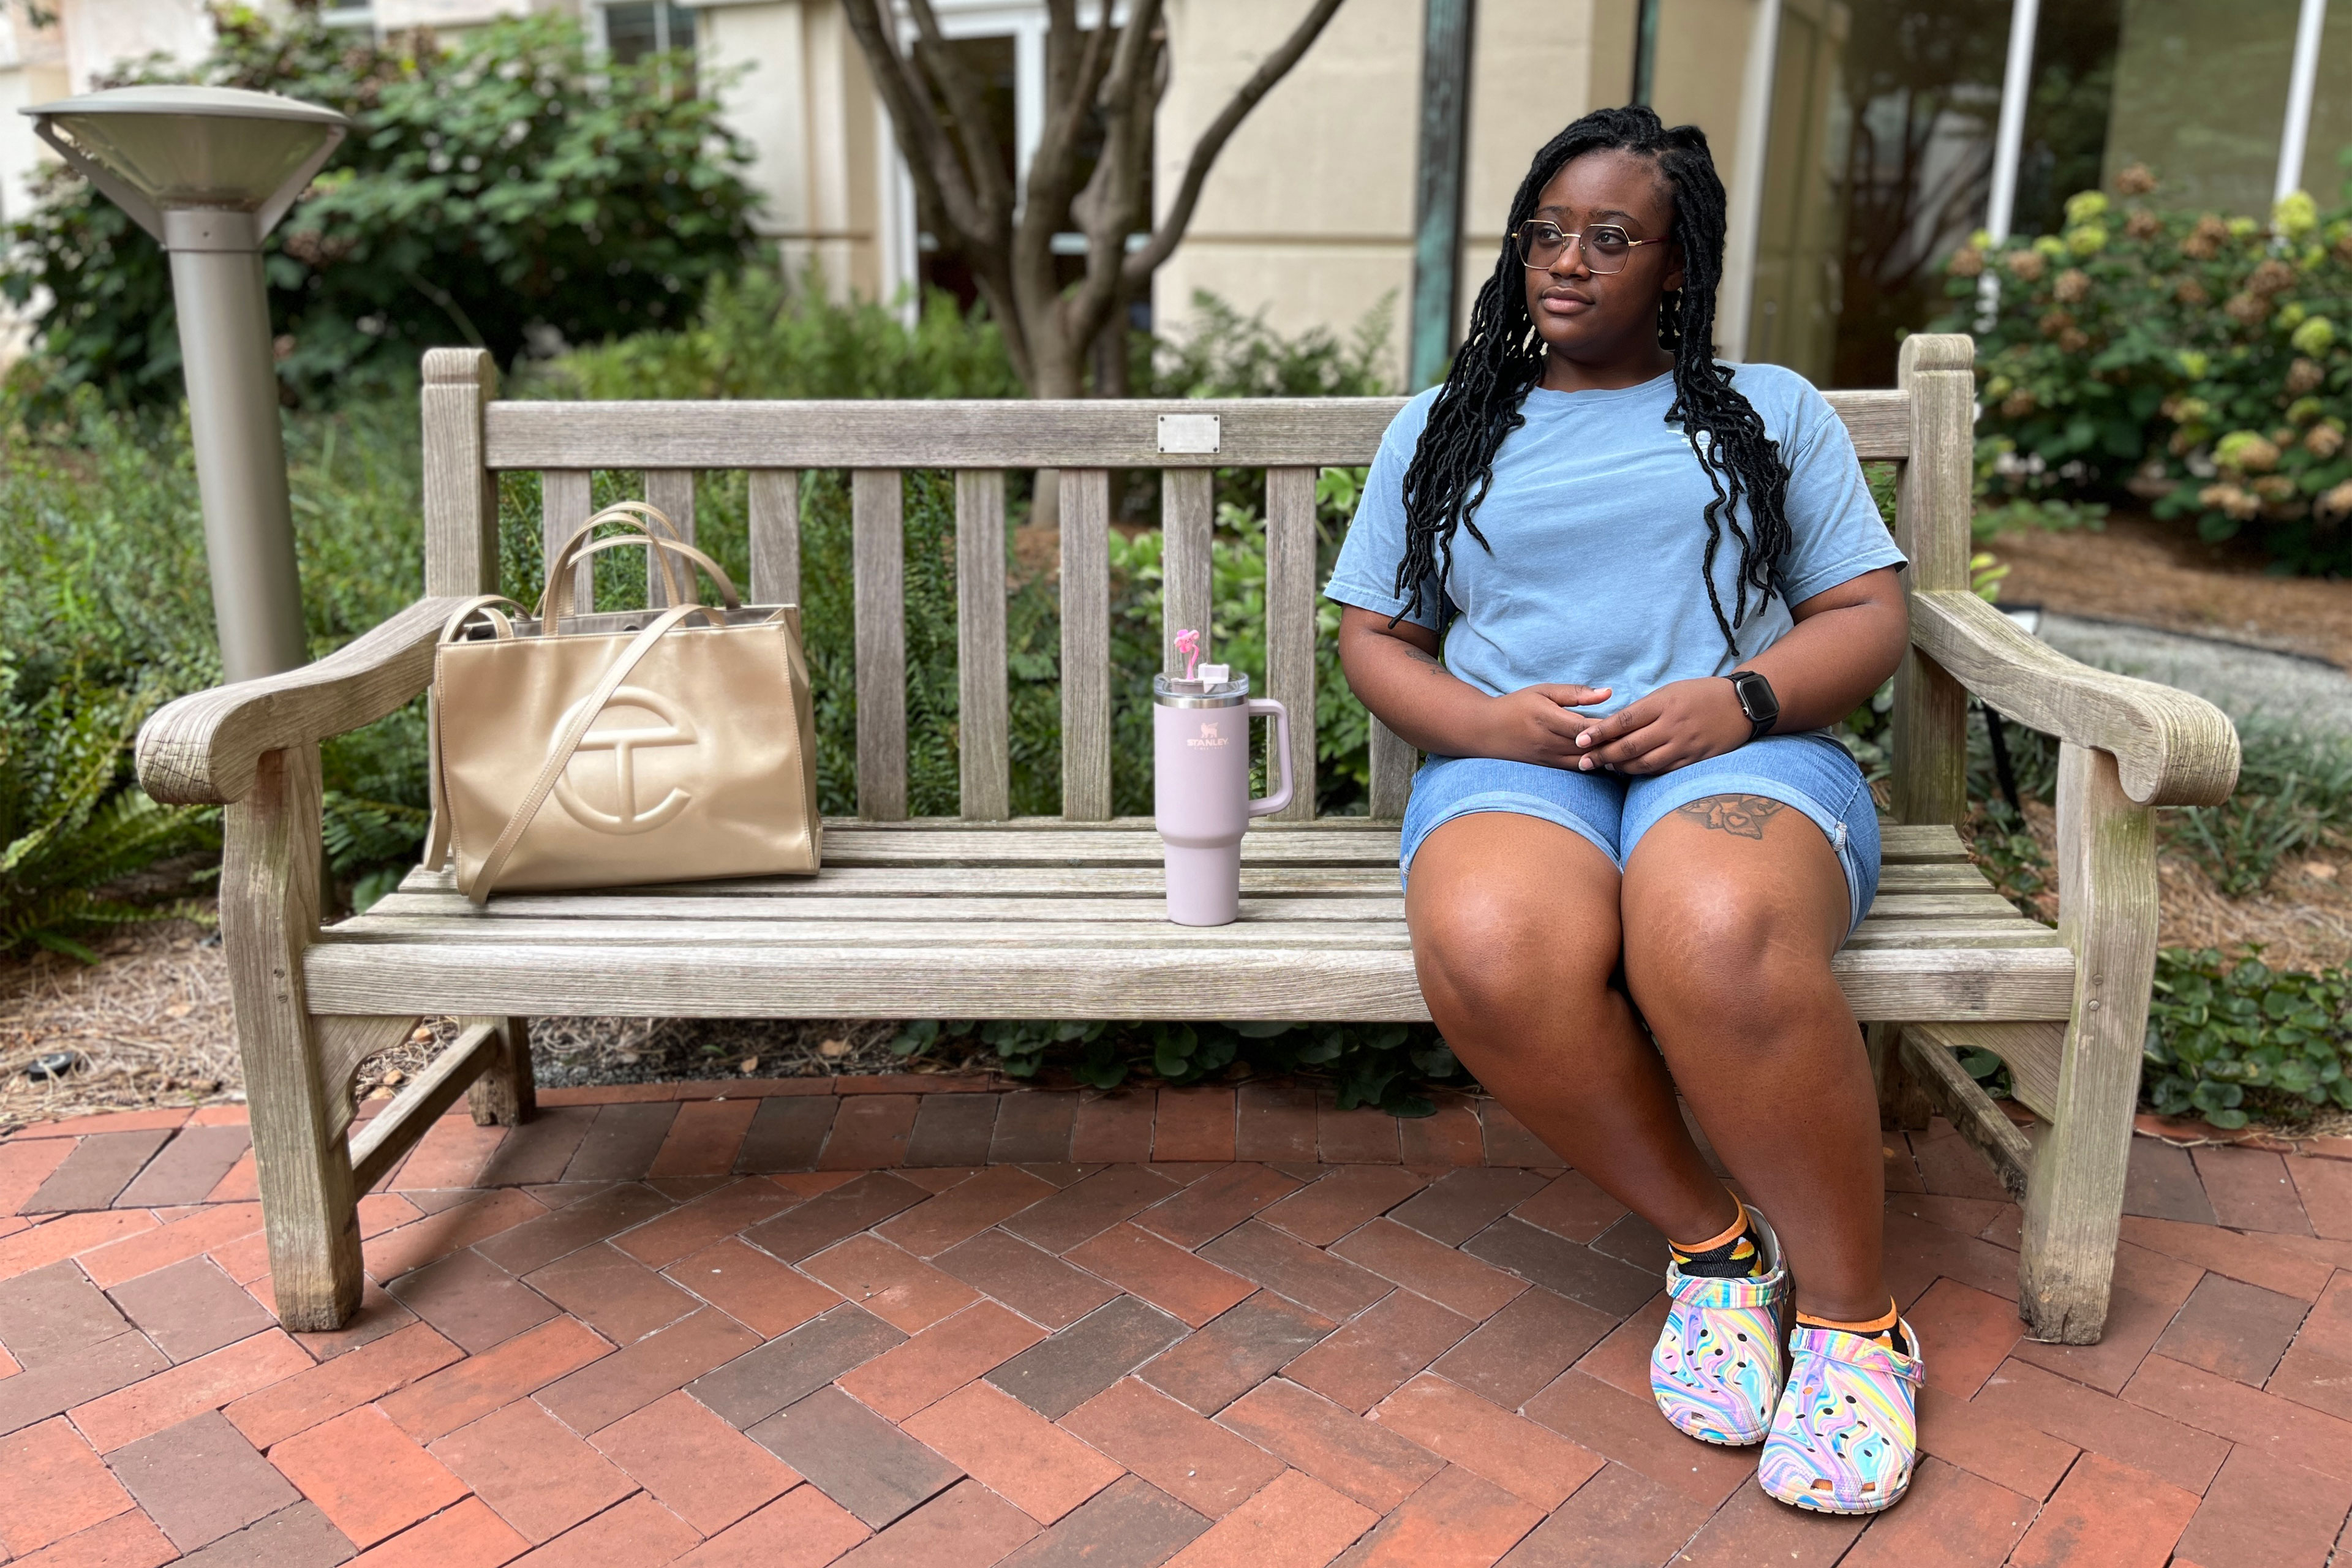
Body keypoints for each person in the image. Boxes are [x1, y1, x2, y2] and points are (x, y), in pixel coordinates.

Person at [1324, 105, 1922, 1514]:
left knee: (1710, 930)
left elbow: (1866, 613)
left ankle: (1854, 1322)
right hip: (1513, 764)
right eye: (1546, 234)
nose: (1566, 263)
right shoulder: (1446, 423)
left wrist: (1743, 700)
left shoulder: (1770, 411)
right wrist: (1490, 722)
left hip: (1736, 758)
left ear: (1677, 263)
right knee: (1489, 945)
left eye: (1610, 238)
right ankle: (1716, 1252)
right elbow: (1374, 636)